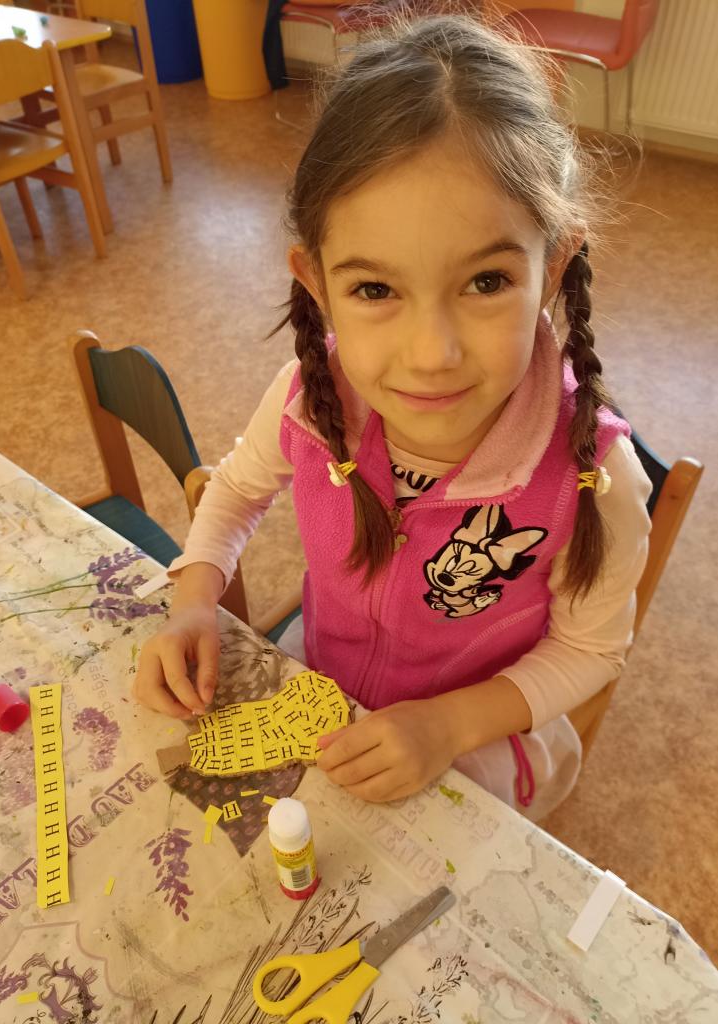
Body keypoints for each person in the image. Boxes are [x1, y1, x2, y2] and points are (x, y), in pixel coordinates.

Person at [134, 12, 651, 820]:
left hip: (477, 737)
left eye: (485, 282)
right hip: (323, 681)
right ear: (316, 282)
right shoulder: (310, 399)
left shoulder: (594, 481)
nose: (431, 354)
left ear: (551, 267)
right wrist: (195, 599)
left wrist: (447, 726)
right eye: (375, 289)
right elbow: (233, 492)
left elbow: (589, 648)